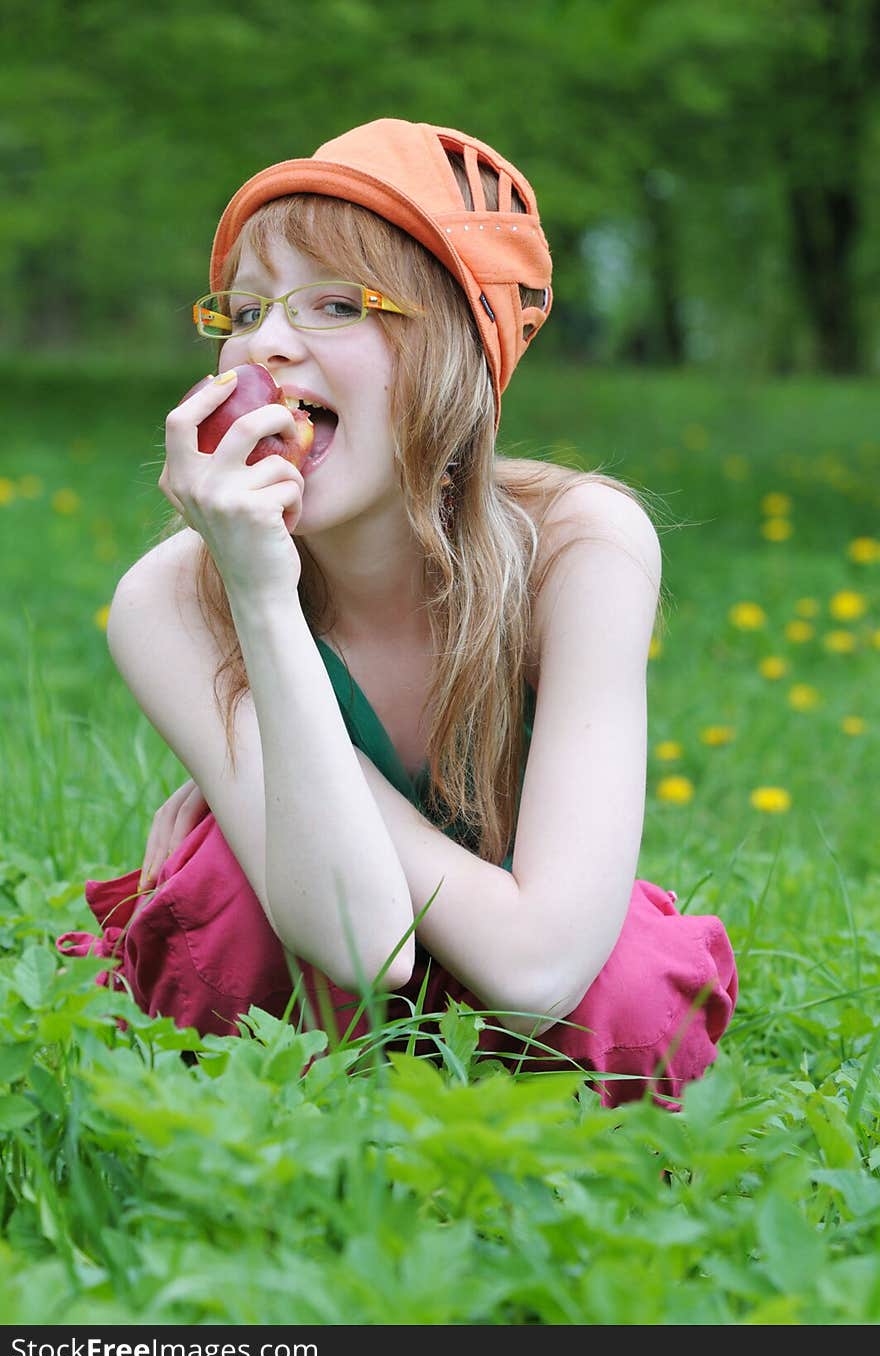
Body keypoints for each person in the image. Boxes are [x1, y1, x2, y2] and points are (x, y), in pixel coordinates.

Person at [58, 118, 737, 1107]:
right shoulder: (174, 599)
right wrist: (257, 591)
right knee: (246, 935)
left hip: (522, 956)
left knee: (626, 999)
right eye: (243, 311)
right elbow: (358, 941)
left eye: (335, 304)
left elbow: (542, 970)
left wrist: (359, 807)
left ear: (459, 355)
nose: (269, 342)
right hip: (319, 943)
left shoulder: (582, 546)